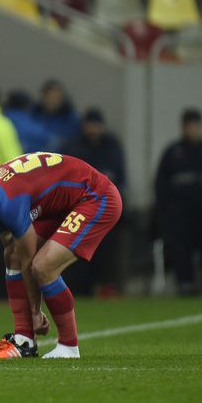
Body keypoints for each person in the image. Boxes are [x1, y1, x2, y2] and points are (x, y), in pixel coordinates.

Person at [0, 153, 123, 360]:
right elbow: (13, 249)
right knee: (12, 255)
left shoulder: (8, 203)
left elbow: (28, 261)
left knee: (43, 266)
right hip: (64, 203)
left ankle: (69, 346)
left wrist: (36, 311)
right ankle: (24, 341)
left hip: (96, 197)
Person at [154, 108, 202, 295]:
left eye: (196, 126)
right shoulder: (173, 153)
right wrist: (167, 210)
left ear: (201, 127)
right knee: (182, 249)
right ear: (183, 128)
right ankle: (184, 284)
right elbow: (161, 184)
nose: (193, 130)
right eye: (189, 126)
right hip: (181, 213)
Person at [62, 107, 128, 295]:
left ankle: (105, 287)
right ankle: (80, 288)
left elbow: (120, 179)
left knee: (105, 253)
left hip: (105, 207)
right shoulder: (74, 146)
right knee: (78, 252)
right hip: (80, 208)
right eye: (90, 125)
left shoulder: (112, 146)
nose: (93, 129)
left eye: (96, 125)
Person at [31, 79, 79, 152]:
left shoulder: (70, 119)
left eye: (56, 98)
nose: (52, 101)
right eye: (50, 98)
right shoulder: (33, 115)